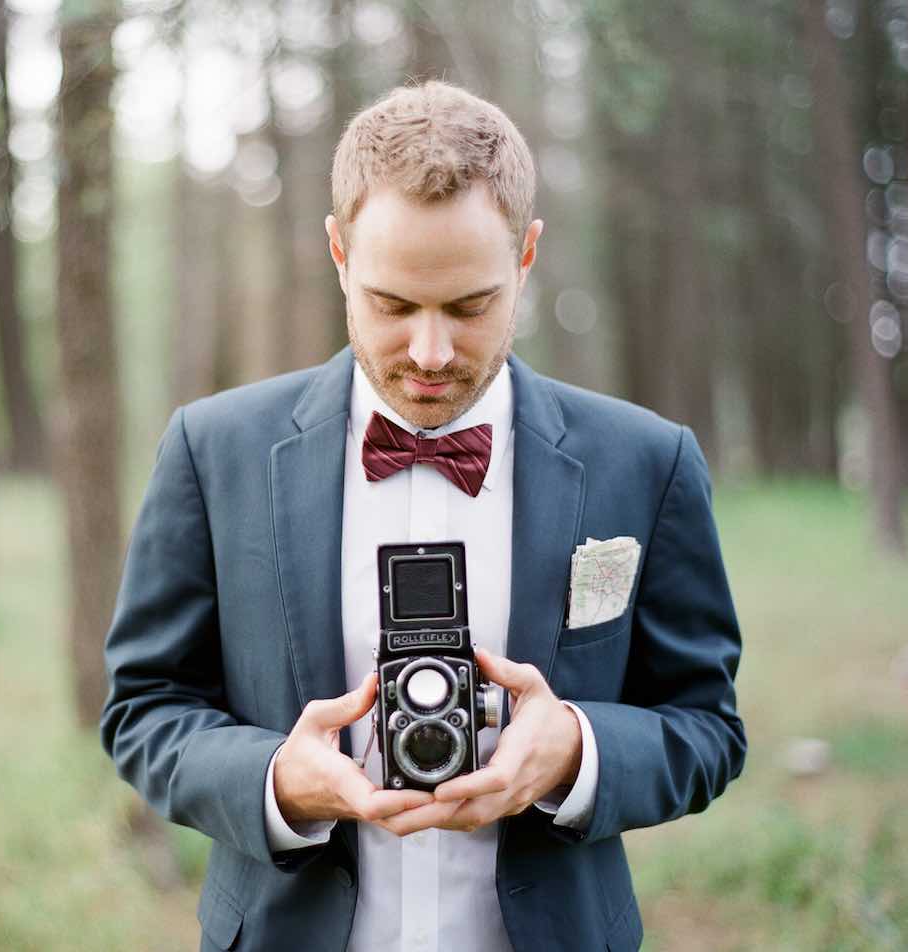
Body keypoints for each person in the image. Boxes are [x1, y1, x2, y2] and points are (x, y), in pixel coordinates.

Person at [100, 79, 745, 952]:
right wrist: (277, 781)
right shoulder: (215, 451)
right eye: (392, 305)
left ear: (526, 256)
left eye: (470, 306)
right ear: (337, 252)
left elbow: (706, 725)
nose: (431, 353)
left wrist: (578, 753)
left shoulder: (645, 462)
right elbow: (144, 706)